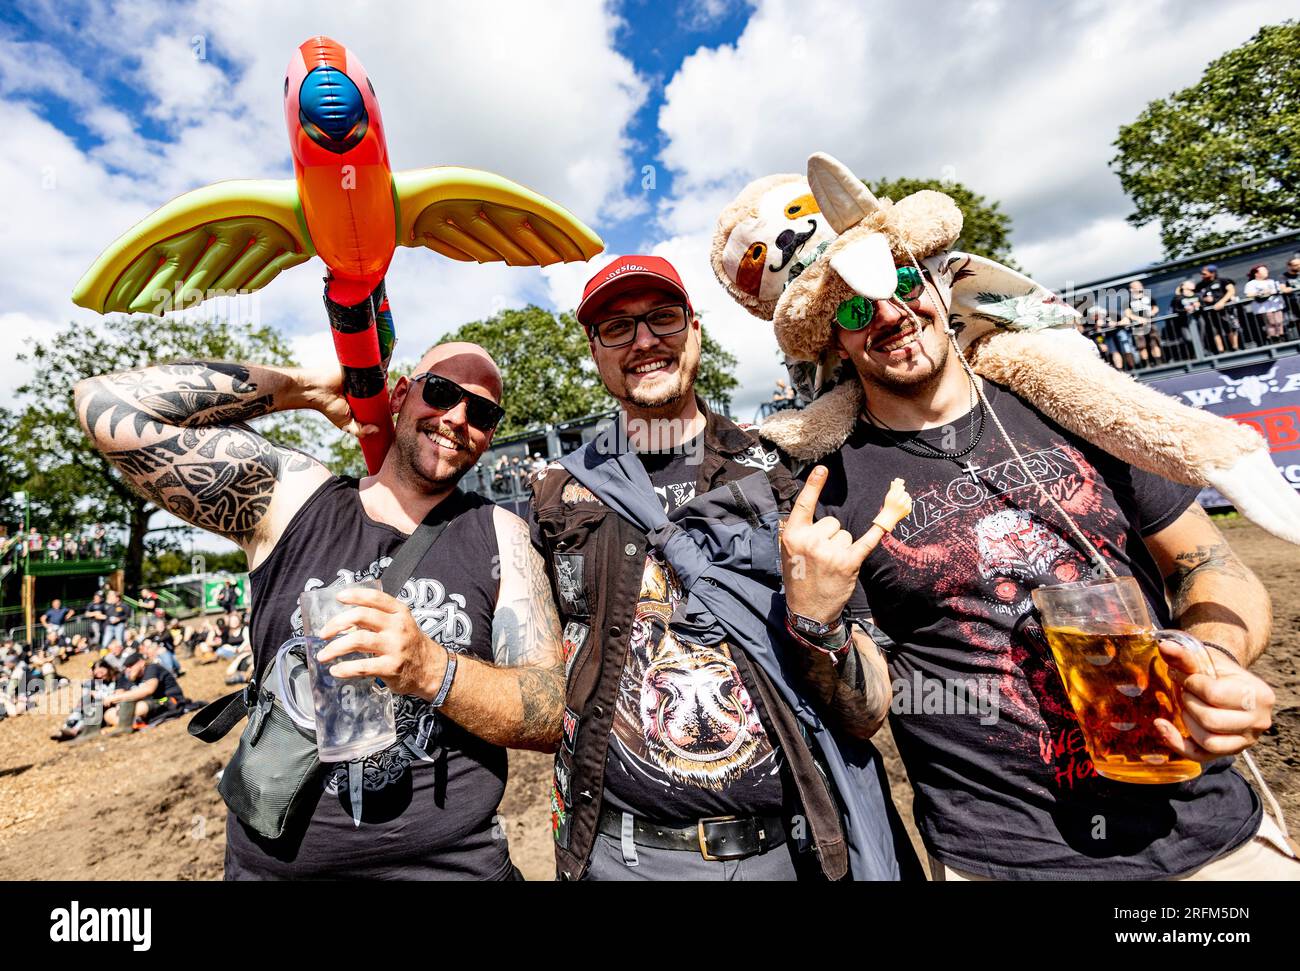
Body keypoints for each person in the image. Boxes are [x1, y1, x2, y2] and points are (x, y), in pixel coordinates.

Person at [760, 192, 1293, 881]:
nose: (888, 315)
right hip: (1009, 858)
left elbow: (1208, 562)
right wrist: (818, 619)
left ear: (938, 283)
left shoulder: (1074, 408)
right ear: (838, 341)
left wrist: (1212, 656)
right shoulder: (833, 484)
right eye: (856, 311)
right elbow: (866, 711)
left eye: (900, 284)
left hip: (1214, 831)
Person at [76, 329, 566, 880]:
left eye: (481, 412)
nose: (457, 417)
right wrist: (305, 388)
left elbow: (551, 714)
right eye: (440, 392)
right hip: (276, 867)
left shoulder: (503, 534)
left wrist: (434, 670)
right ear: (401, 394)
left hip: (448, 868)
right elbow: (107, 404)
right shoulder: (294, 500)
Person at [529, 255, 914, 881]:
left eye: (662, 318)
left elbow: (867, 714)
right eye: (617, 328)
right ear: (594, 350)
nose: (645, 341)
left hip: (788, 853)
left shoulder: (787, 473)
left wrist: (822, 627)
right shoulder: (558, 494)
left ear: (696, 328)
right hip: (621, 858)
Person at [101, 651, 189, 730]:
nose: (128, 669)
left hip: (167, 699)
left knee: (140, 706)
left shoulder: (152, 668)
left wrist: (116, 698)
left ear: (141, 663)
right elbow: (123, 692)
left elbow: (148, 690)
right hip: (149, 703)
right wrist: (119, 702)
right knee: (109, 713)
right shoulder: (130, 677)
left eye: (131, 665)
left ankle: (127, 724)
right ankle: (130, 724)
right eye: (126, 667)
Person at [1193, 264, 1238, 352]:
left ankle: (1235, 347)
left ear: (1212, 273)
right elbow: (1195, 297)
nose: (1202, 275)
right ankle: (1220, 350)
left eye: (1204, 273)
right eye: (1201, 274)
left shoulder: (1223, 281)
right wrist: (1204, 299)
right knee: (1215, 331)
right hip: (1210, 312)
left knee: (1230, 328)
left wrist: (1222, 302)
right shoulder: (1200, 285)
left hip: (1225, 310)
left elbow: (1231, 291)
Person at [1121, 280, 1162, 366]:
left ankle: (1158, 363)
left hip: (1151, 324)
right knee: (1141, 346)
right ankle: (1147, 365)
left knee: (1154, 343)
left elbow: (1155, 307)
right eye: (1137, 286)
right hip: (1137, 326)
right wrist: (1139, 319)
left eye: (1140, 285)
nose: (1140, 287)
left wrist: (1152, 312)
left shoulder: (1149, 297)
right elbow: (1128, 314)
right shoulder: (1128, 300)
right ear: (1131, 289)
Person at [1244, 265, 1286, 342]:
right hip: (1263, 307)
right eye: (1263, 270)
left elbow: (1279, 290)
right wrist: (1261, 293)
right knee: (1271, 323)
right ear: (1256, 273)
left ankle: (1281, 337)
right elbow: (1248, 294)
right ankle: (1273, 339)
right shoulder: (1252, 283)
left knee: (1279, 322)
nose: (1266, 272)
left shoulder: (1272, 281)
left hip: (1276, 305)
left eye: (1266, 270)